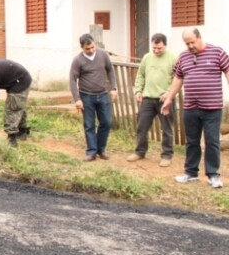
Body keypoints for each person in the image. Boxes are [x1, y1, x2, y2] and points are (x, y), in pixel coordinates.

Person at [161, 28, 229, 189]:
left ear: (199, 37)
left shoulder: (217, 52)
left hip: (212, 107)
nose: (190, 46)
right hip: (191, 107)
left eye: (192, 42)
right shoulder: (183, 57)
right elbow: (178, 78)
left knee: (212, 141)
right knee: (192, 141)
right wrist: (169, 98)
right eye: (187, 43)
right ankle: (191, 173)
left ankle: (213, 175)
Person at [128, 33, 178, 167]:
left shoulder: (173, 58)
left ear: (165, 45)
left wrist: (169, 93)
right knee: (141, 127)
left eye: (159, 48)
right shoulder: (147, 57)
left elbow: (177, 79)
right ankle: (140, 151)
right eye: (154, 48)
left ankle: (167, 155)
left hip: (164, 100)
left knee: (166, 129)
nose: (156, 51)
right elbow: (141, 75)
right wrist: (138, 90)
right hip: (148, 98)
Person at [69, 33, 117, 161]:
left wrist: (113, 88)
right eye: (87, 49)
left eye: (92, 47)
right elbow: (73, 80)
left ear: (94, 44)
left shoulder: (102, 55)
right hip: (86, 96)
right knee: (89, 124)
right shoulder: (78, 60)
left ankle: (101, 149)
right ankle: (91, 151)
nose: (90, 50)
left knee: (106, 122)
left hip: (102, 94)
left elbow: (110, 70)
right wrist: (77, 99)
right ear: (81, 47)